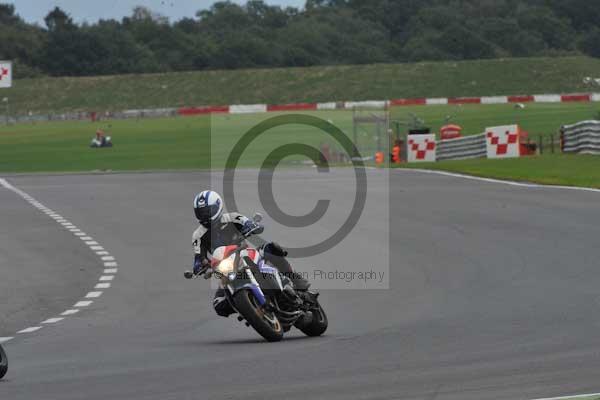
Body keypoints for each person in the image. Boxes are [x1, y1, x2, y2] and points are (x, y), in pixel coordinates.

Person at [187, 190, 311, 318]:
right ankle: (249, 309)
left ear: (217, 207)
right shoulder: (198, 235)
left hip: (245, 255)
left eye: (207, 211)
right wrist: (200, 265)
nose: (204, 215)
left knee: (272, 248)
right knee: (218, 305)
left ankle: (296, 279)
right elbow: (198, 257)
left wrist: (252, 226)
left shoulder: (232, 218)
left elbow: (249, 223)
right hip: (225, 268)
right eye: (200, 212)